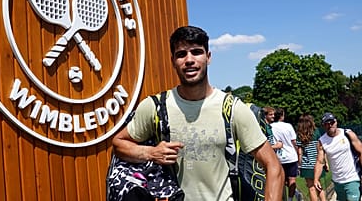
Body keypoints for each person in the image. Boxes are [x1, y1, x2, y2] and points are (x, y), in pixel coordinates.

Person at [112, 26, 284, 200]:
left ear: (208, 57)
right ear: (172, 61)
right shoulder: (155, 107)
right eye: (181, 54)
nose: (189, 60)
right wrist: (150, 153)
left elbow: (273, 166)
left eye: (196, 52)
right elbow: (119, 143)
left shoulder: (232, 108)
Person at [314, 112, 362, 201]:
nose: (330, 125)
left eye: (331, 122)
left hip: (352, 178)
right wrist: (316, 179)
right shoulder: (322, 141)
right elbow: (320, 162)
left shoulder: (347, 134)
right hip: (337, 182)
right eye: (326, 124)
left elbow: (361, 152)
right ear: (323, 126)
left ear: (336, 122)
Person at [296, 114, 327, 201]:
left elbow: (300, 152)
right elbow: (320, 149)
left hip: (306, 165)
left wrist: (299, 164)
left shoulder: (299, 135)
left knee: (311, 187)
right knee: (319, 185)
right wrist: (326, 162)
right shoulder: (317, 132)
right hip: (317, 163)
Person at [271, 107, 300, 201]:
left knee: (281, 181)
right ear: (282, 115)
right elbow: (294, 142)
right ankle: (290, 198)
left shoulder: (271, 127)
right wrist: (298, 154)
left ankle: (282, 197)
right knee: (292, 180)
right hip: (291, 156)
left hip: (278, 157)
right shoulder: (288, 126)